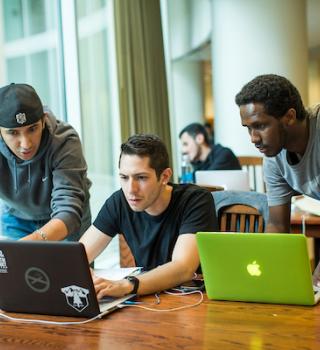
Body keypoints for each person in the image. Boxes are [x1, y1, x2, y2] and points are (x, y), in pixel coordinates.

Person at [80, 134, 217, 298]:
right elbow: (78, 256)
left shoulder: (195, 200)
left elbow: (183, 268)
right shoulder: (119, 202)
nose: (131, 189)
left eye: (141, 178)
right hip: (148, 299)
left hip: (193, 299)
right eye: (124, 177)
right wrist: (82, 272)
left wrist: (127, 284)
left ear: (164, 177)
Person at [235, 73, 320, 285]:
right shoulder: (274, 156)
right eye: (248, 128)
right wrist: (263, 273)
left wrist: (316, 281)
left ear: (289, 117)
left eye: (260, 126)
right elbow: (277, 224)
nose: (253, 138)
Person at [0, 83, 91, 241]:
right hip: (15, 217)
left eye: (33, 129)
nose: (26, 144)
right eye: (13, 133)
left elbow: (68, 209)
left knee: (72, 267)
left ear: (43, 121)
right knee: (14, 266)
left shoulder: (65, 141)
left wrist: (31, 243)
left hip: (65, 220)